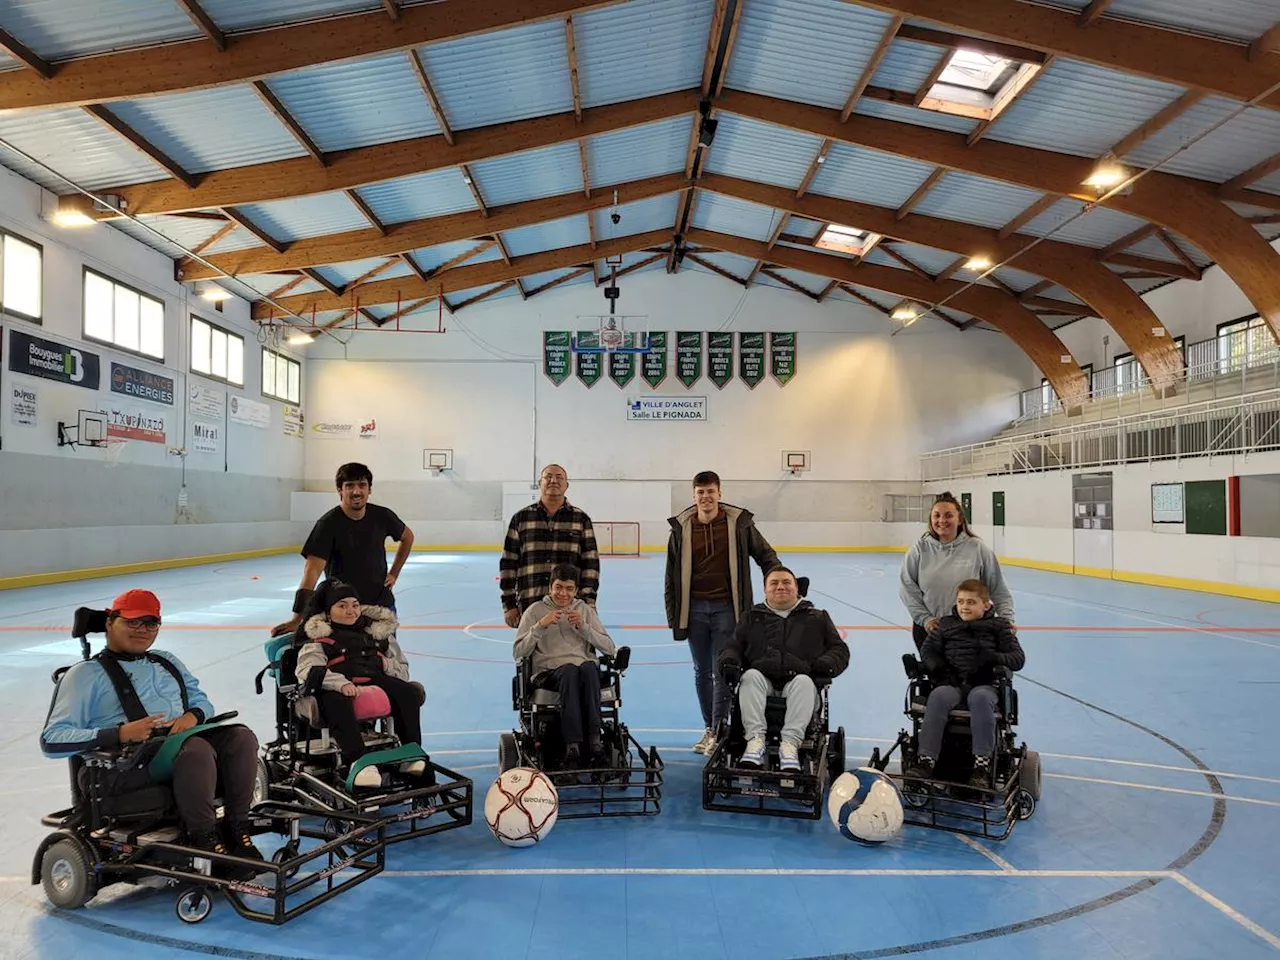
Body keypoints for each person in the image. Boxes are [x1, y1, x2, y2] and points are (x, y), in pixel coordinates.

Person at [41, 589, 263, 867]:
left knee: (240, 737)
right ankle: (203, 838)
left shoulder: (165, 661)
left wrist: (193, 715)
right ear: (110, 622)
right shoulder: (84, 674)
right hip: (123, 767)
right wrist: (119, 733)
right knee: (196, 749)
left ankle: (237, 827)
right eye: (132, 622)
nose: (142, 630)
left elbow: (200, 699)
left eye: (150, 623)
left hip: (175, 750)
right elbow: (52, 739)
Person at [665, 470, 779, 756]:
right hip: (694, 612)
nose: (706, 497)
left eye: (710, 492)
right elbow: (670, 577)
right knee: (701, 671)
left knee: (721, 671)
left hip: (728, 610)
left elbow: (766, 555)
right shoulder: (681, 529)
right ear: (694, 496)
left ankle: (719, 730)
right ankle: (709, 729)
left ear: (720, 494)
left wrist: (776, 582)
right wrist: (673, 616)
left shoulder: (739, 525)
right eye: (700, 492)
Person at [717, 567, 849, 771]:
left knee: (804, 682)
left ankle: (790, 744)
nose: (780, 587)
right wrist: (729, 661)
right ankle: (755, 741)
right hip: (762, 681)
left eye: (787, 582)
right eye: (774, 583)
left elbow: (839, 649)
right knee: (750, 677)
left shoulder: (817, 617)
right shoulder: (751, 617)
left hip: (799, 682)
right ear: (765, 590)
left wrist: (828, 663)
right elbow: (732, 647)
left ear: (797, 588)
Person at [295, 580, 424, 787]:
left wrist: (386, 663)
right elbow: (307, 670)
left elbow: (403, 670)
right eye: (342, 606)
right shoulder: (319, 639)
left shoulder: (378, 636)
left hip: (375, 678)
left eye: (355, 605)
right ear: (328, 612)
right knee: (337, 701)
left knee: (407, 692)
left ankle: (411, 754)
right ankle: (360, 762)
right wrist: (339, 683)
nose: (350, 611)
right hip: (338, 686)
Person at [908, 579, 1026, 788]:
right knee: (938, 697)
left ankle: (982, 766)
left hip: (984, 684)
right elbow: (928, 651)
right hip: (952, 682)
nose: (964, 607)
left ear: (986, 605)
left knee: (980, 699)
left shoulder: (999, 628)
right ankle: (926, 761)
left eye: (971, 602)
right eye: (961, 601)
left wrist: (993, 657)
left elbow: (1017, 659)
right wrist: (939, 668)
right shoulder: (946, 625)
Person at [274, 462, 414, 637]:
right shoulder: (327, 525)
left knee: (386, 660)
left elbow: (407, 537)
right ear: (340, 490)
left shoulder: (382, 516)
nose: (356, 491)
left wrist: (394, 573)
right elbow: (311, 572)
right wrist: (297, 619)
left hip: (381, 606)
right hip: (342, 610)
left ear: (369, 489)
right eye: (349, 486)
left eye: (362, 485)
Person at [513, 564, 617, 767]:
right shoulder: (535, 611)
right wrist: (540, 626)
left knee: (588, 668)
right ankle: (572, 747)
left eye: (569, 589)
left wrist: (584, 628)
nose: (563, 593)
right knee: (570, 671)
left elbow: (610, 648)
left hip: (582, 670)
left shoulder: (584, 610)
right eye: (558, 587)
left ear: (576, 590)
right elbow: (518, 652)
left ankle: (595, 742)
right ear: (550, 587)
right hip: (548, 672)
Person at [899, 491, 1014, 652]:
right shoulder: (919, 550)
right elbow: (907, 589)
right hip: (931, 630)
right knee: (936, 674)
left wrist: (1006, 619)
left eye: (948, 515)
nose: (941, 520)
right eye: (936, 515)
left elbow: (997, 588)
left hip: (970, 630)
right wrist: (925, 619)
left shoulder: (977, 548)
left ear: (959, 519)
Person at [500, 464, 600, 627]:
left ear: (566, 485)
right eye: (548, 477)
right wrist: (509, 605)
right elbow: (508, 563)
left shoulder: (581, 519)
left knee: (573, 651)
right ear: (540, 483)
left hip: (571, 607)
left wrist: (587, 603)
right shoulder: (521, 519)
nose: (553, 480)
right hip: (530, 602)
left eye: (559, 477)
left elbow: (591, 565)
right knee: (530, 650)